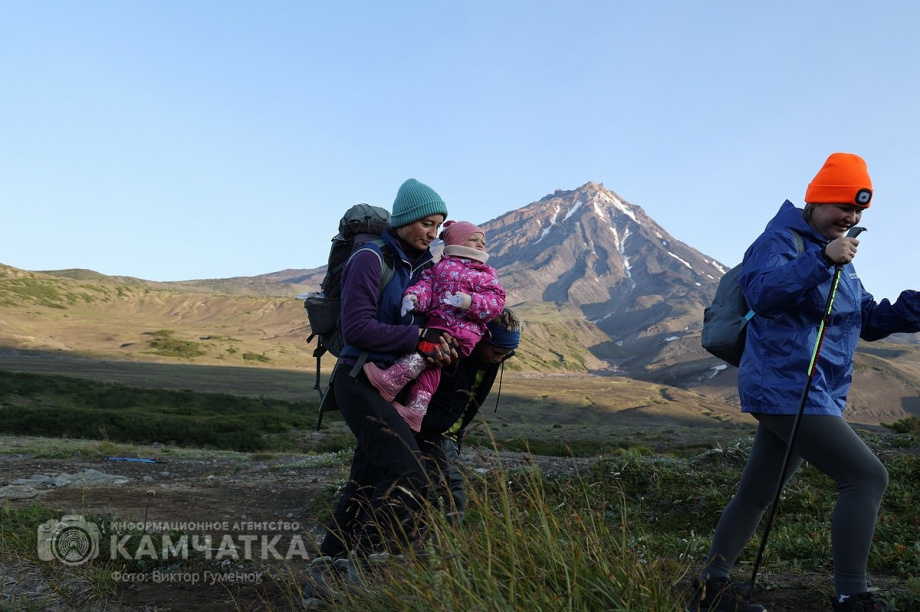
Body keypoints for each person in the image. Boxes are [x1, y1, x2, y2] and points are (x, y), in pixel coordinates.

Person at [687, 153, 920, 612]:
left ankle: (711, 590)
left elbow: (866, 319)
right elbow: (763, 294)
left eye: (858, 212)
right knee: (866, 477)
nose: (851, 217)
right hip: (785, 385)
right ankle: (852, 595)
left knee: (758, 491)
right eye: (843, 207)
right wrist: (821, 260)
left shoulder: (839, 253)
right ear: (817, 201)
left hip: (814, 391)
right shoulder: (782, 240)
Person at [306, 178, 458, 603]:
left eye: (438, 225)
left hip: (395, 388)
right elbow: (357, 328)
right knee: (411, 475)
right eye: (426, 223)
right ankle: (366, 569)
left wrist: (439, 347)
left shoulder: (427, 269)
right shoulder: (370, 260)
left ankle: (323, 582)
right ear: (406, 218)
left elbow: (421, 329)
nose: (432, 233)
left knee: (364, 483)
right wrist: (418, 340)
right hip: (358, 381)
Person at [363, 220, 506, 432]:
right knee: (432, 367)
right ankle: (415, 411)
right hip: (439, 325)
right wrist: (414, 298)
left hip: (463, 332)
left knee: (426, 351)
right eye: (473, 240)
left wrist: (470, 303)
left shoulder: (485, 274)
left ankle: (392, 380)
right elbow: (426, 286)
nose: (480, 245)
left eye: (483, 242)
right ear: (457, 242)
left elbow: (496, 303)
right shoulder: (439, 268)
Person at [416, 306, 522, 523]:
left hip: (453, 433)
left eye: (505, 355)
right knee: (450, 485)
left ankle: (425, 538)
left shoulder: (493, 357)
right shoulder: (456, 352)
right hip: (433, 430)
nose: (498, 359)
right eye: (495, 352)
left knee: (430, 487)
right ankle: (449, 542)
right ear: (481, 339)